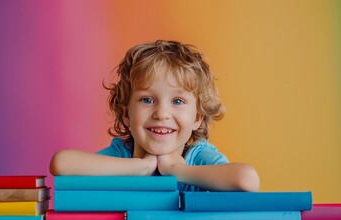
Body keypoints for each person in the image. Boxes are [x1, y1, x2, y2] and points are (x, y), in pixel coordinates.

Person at [50, 40, 260, 192]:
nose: (161, 113)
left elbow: (247, 180)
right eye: (147, 100)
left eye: (177, 101)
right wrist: (140, 167)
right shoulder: (123, 155)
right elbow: (62, 164)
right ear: (126, 114)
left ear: (197, 118)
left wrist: (176, 170)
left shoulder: (198, 158)